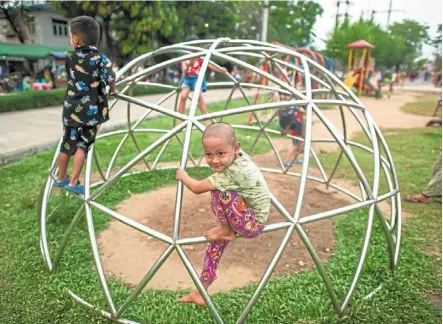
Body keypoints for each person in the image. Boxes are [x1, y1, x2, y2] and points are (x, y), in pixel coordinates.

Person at [175, 122, 270, 305]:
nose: (214, 160)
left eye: (221, 154)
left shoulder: (232, 173)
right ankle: (200, 291)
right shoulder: (239, 157)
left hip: (252, 223)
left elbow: (196, 188)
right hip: (242, 217)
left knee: (220, 192)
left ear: (236, 149)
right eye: (208, 154)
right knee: (214, 247)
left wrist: (183, 176)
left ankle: (226, 229)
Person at [53, 16, 118, 194]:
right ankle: (74, 181)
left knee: (67, 143)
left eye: (70, 36)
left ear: (76, 39)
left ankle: (60, 178)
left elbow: (71, 77)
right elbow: (110, 77)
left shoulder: (69, 57)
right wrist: (113, 88)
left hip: (71, 108)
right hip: (91, 112)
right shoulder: (101, 58)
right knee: (83, 144)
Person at [177, 36, 227, 122]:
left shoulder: (201, 57)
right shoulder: (185, 57)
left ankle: (205, 120)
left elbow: (210, 65)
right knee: (183, 96)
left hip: (197, 79)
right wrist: (190, 61)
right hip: (187, 79)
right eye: (194, 46)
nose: (195, 48)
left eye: (197, 45)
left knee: (198, 96)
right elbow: (184, 70)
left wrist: (219, 69)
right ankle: (179, 120)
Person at [278, 95, 305, 167]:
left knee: (299, 145)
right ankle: (287, 160)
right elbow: (288, 121)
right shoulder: (290, 110)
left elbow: (301, 116)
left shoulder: (294, 108)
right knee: (295, 146)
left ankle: (294, 159)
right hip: (295, 128)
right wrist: (285, 129)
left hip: (298, 127)